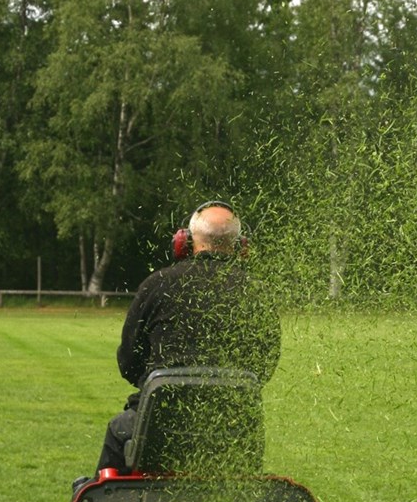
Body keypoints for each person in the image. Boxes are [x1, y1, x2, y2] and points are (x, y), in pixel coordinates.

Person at [95, 201, 280, 473]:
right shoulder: (258, 293)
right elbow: (265, 366)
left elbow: (129, 364)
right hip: (232, 430)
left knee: (118, 430)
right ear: (241, 246)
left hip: (158, 429)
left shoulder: (157, 285)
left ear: (183, 242)